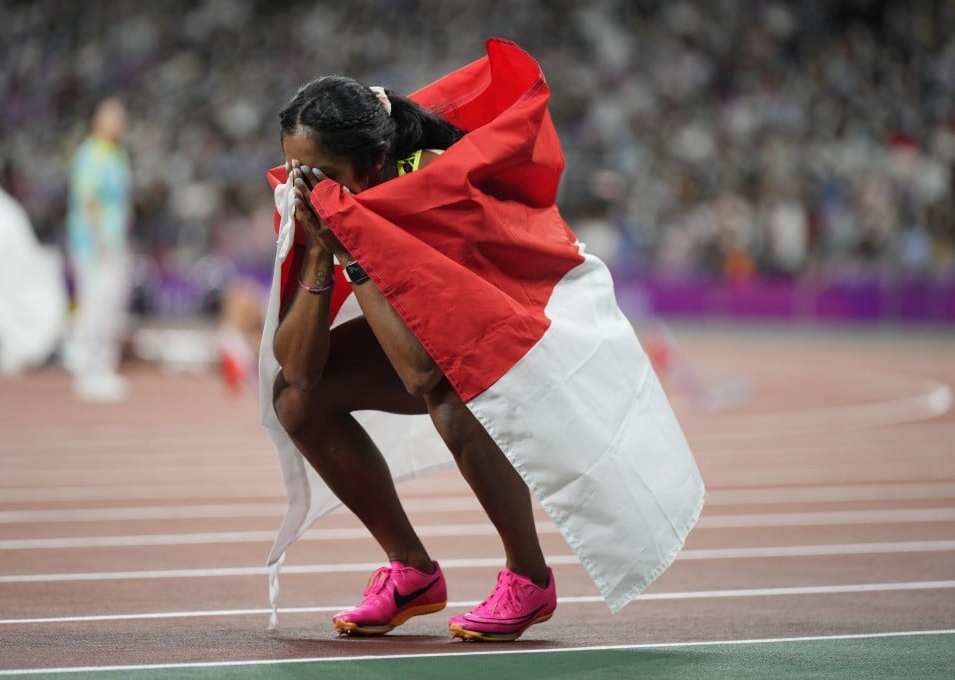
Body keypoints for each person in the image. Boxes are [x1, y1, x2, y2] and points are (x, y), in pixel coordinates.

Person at [259, 39, 704, 642]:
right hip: (453, 341)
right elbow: (301, 370)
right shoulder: (330, 204)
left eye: (322, 175)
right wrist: (319, 253)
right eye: (296, 171)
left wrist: (352, 252)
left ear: (376, 162)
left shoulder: (444, 188)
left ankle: (530, 578)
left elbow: (421, 369)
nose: (305, 187)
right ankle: (412, 572)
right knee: (295, 400)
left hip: (537, 341)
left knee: (451, 398)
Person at [64, 98, 133, 402]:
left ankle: (102, 365)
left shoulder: (116, 154)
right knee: (95, 301)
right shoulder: (91, 153)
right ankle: (85, 365)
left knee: (112, 303)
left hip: (114, 241)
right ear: (96, 120)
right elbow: (87, 198)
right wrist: (99, 238)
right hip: (93, 244)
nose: (119, 122)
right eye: (112, 117)